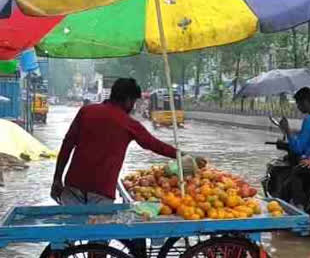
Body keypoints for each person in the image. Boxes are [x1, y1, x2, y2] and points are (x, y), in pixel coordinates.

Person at [51, 77, 202, 205]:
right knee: (98, 237)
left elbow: (67, 145)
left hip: (73, 188)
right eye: (134, 102)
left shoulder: (86, 111)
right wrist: (183, 155)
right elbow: (155, 145)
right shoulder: (128, 123)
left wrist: (57, 179)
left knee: (68, 236)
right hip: (101, 193)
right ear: (129, 100)